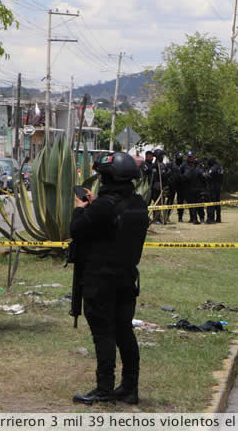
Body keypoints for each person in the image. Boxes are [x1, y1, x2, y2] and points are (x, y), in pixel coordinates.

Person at [70, 152, 149, 405]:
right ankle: (129, 387)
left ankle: (104, 389)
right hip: (126, 278)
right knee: (124, 332)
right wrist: (96, 204)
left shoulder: (104, 206)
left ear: (108, 178)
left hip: (101, 279)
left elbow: (77, 230)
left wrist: (79, 209)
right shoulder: (138, 203)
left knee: (103, 334)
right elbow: (111, 227)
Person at [180, 152, 199, 223]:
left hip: (196, 187)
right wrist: (185, 177)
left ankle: (194, 218)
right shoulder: (183, 165)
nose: (190, 158)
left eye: (191, 157)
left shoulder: (196, 164)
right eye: (189, 157)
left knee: (196, 203)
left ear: (194, 157)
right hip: (187, 187)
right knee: (190, 203)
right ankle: (193, 218)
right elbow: (180, 175)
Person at [206, 158, 224, 223]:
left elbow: (209, 176)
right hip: (218, 187)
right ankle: (218, 218)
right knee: (217, 203)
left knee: (211, 203)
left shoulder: (213, 168)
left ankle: (211, 218)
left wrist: (204, 174)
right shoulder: (220, 168)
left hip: (212, 187)